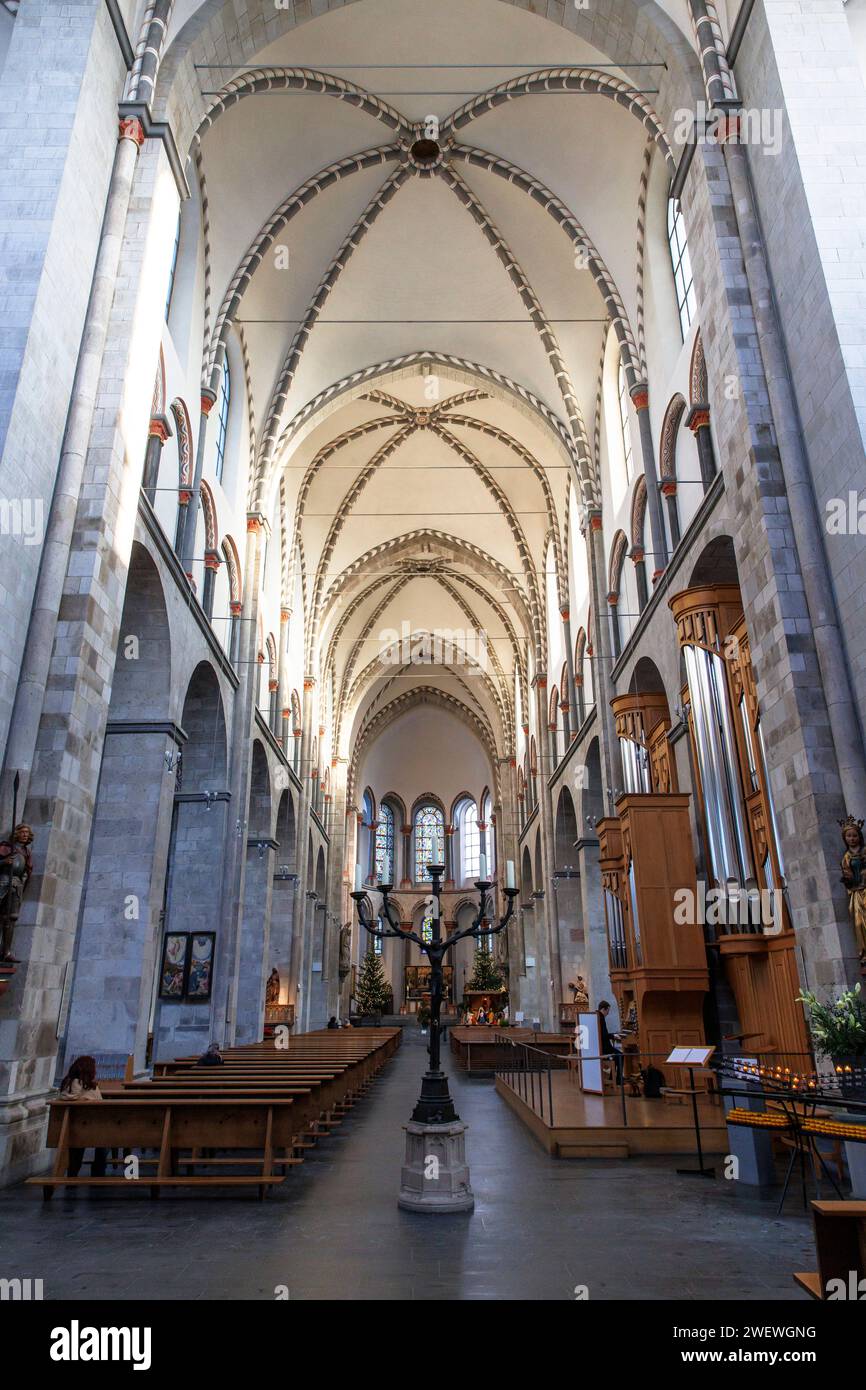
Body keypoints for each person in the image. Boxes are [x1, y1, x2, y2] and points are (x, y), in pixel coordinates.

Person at [60, 1055, 107, 1178]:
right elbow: (102, 1107)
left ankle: (72, 1172)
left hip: (71, 1129)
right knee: (105, 1140)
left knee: (77, 1146)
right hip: (94, 1128)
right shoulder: (91, 1088)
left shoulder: (67, 1086)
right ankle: (98, 1173)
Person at [598, 1000, 623, 1086]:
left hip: (601, 1046)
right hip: (604, 1048)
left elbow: (603, 1034)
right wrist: (613, 1036)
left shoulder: (597, 1016)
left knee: (617, 1056)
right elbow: (604, 1035)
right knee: (620, 1055)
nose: (608, 1013)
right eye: (608, 1010)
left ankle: (612, 1078)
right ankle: (619, 1080)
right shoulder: (601, 1018)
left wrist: (612, 1036)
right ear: (604, 1009)